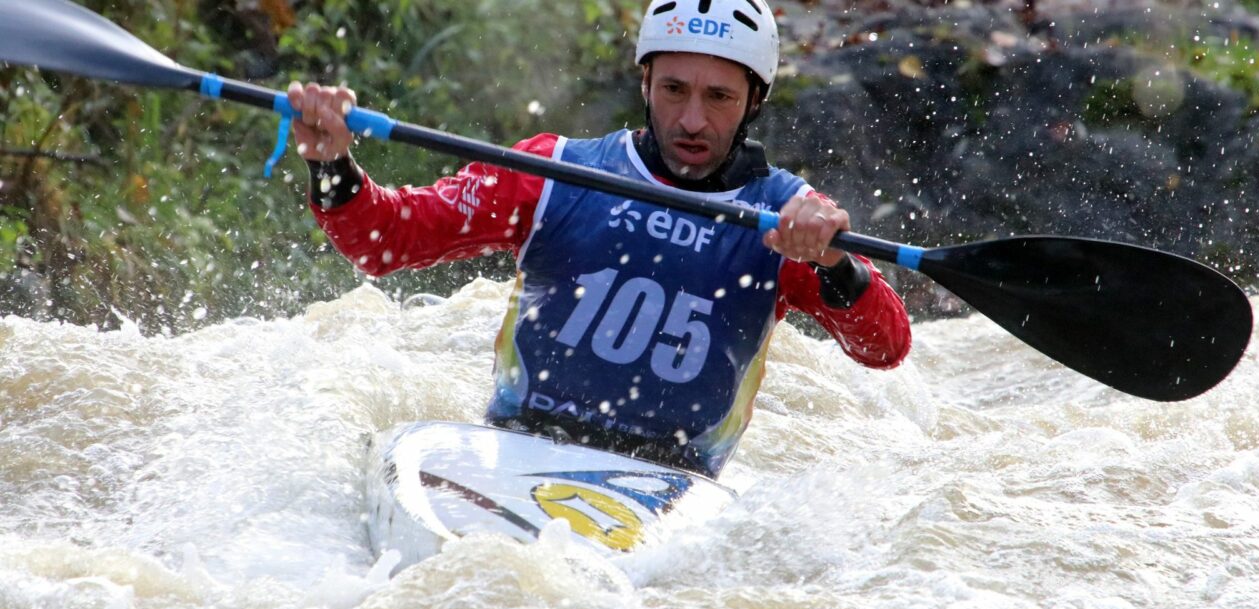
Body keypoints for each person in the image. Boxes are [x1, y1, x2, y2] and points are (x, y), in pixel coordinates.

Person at [288, 0, 911, 478]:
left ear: (753, 101)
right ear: (645, 84)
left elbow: (885, 348)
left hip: (678, 480)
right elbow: (385, 241)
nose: (692, 119)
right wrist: (333, 165)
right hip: (522, 445)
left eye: (718, 97)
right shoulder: (552, 173)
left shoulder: (792, 219)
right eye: (674, 90)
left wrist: (835, 263)